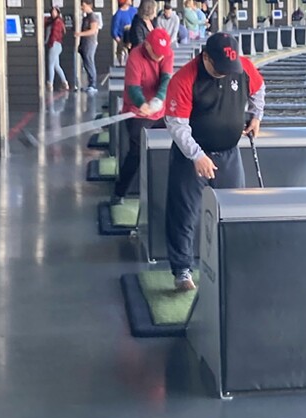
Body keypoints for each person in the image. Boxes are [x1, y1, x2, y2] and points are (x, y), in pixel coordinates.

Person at [163, 33, 265, 291]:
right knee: (185, 213)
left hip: (229, 153)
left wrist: (256, 116)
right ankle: (182, 270)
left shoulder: (241, 67)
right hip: (191, 157)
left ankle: (232, 263)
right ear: (206, 57)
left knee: (235, 211)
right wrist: (197, 155)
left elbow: (259, 88)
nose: (225, 73)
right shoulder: (185, 79)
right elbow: (177, 125)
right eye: (219, 69)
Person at [111, 28, 174, 205]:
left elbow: (166, 79)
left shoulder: (166, 53)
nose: (161, 56)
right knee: (136, 154)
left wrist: (158, 100)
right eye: (157, 53)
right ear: (147, 45)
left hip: (160, 111)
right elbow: (133, 88)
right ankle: (119, 193)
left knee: (167, 150)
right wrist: (143, 104)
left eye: (163, 53)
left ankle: (164, 196)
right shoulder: (135, 57)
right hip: (136, 112)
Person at [75, 0, 100, 94]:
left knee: (90, 62)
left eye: (83, 5)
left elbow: (93, 30)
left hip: (90, 43)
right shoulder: (86, 17)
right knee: (86, 63)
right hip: (85, 43)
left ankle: (93, 84)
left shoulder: (92, 17)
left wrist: (79, 34)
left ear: (88, 5)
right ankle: (90, 83)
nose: (82, 7)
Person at [45, 6, 69, 91]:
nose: (52, 13)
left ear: (58, 13)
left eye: (54, 12)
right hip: (58, 45)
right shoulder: (59, 22)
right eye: (52, 12)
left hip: (54, 45)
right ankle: (65, 83)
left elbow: (54, 35)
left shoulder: (56, 23)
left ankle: (50, 84)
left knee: (51, 65)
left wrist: (50, 44)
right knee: (56, 66)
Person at [111, 0, 137, 65]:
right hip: (123, 40)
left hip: (134, 38)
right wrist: (120, 43)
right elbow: (114, 31)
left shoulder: (134, 11)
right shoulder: (118, 14)